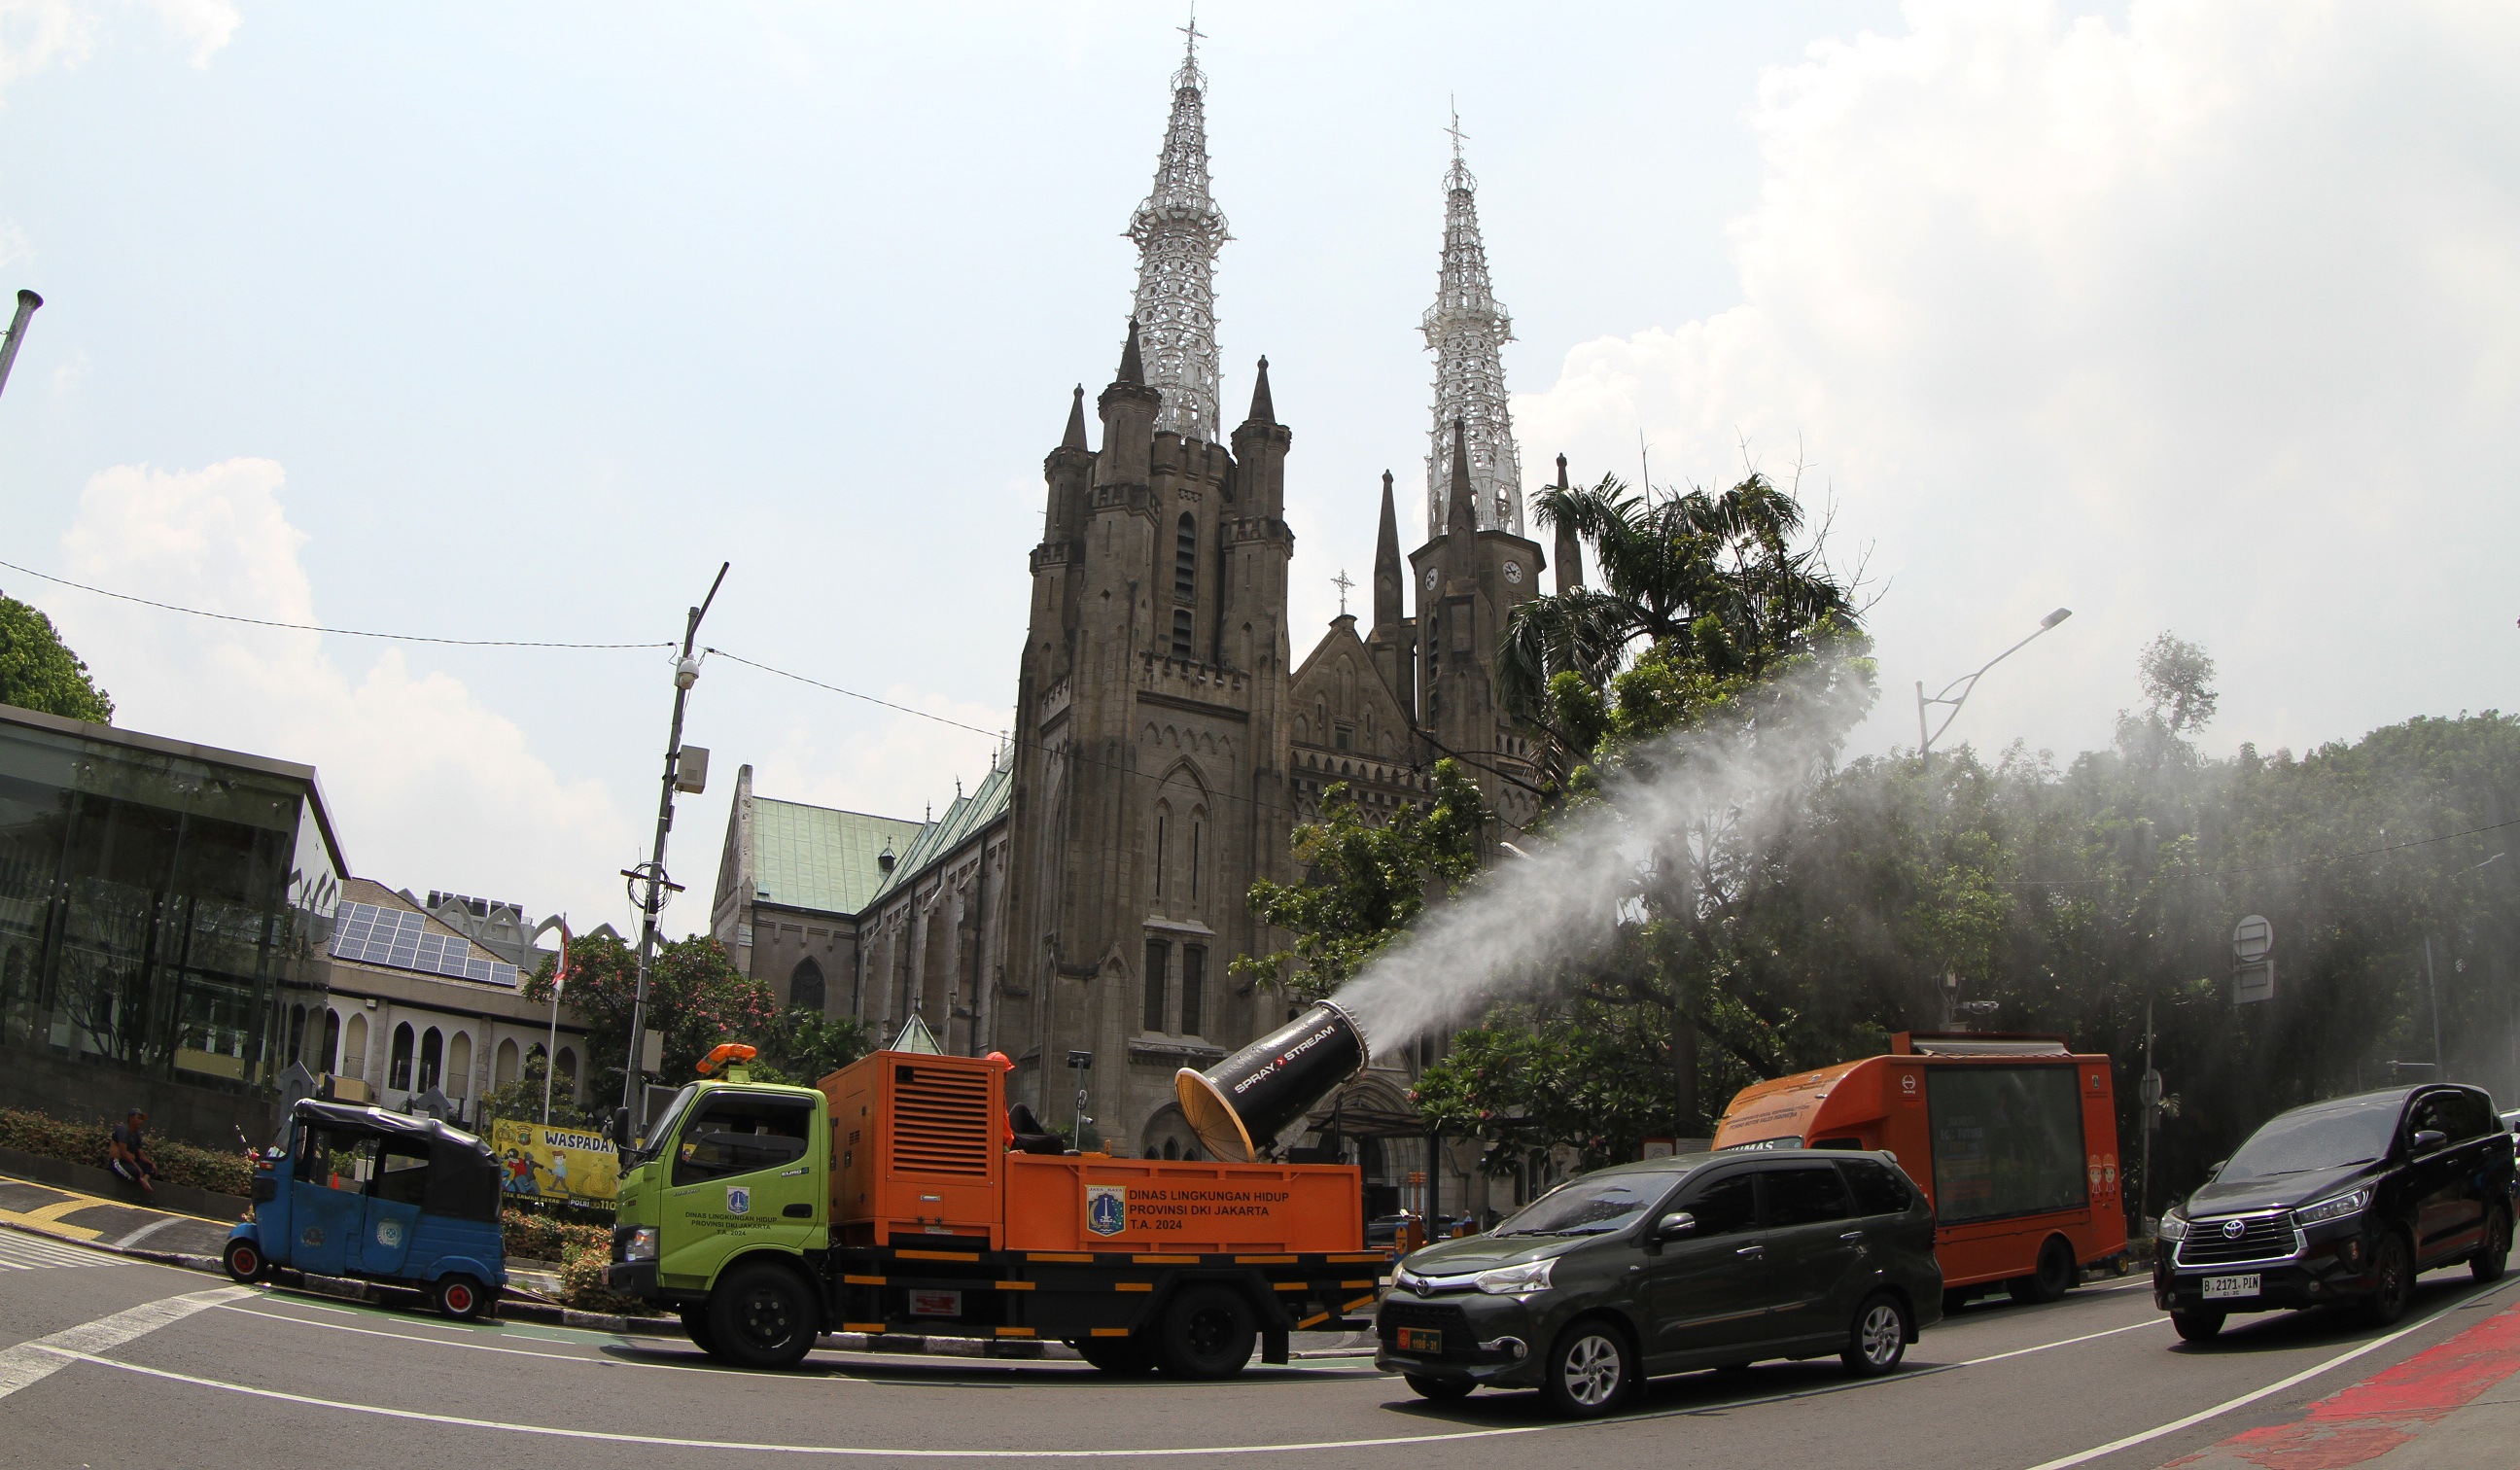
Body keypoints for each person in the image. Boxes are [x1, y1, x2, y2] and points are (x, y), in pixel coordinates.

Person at [108, 1110, 161, 1198]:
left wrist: (152, 1164)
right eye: (138, 1118)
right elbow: (123, 1153)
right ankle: (136, 1190)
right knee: (137, 1172)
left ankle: (144, 1179)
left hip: (130, 1163)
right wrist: (137, 1167)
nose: (141, 1121)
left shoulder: (137, 1136)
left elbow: (141, 1155)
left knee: (151, 1169)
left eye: (142, 1119)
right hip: (118, 1162)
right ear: (131, 1119)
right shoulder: (123, 1131)